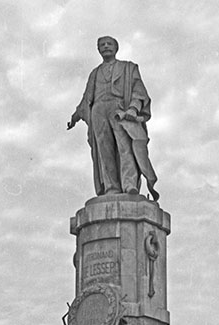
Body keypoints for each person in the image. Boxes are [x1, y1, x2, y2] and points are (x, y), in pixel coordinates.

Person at [67, 36, 159, 201]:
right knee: (105, 150)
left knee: (125, 147)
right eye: (102, 45)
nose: (106, 46)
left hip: (119, 109)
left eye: (109, 44)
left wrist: (133, 108)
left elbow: (138, 91)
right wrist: (75, 117)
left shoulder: (128, 68)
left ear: (116, 48)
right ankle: (111, 187)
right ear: (98, 49)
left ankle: (129, 184)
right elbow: (86, 99)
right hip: (98, 110)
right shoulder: (94, 74)